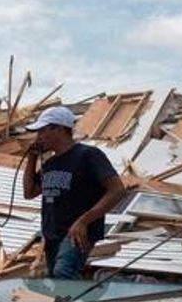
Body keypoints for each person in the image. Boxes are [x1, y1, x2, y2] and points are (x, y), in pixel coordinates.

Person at [23, 106, 125, 279]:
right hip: (52, 233)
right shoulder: (50, 163)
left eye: (43, 131)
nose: (38, 137)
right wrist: (31, 158)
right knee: (56, 280)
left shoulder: (88, 155)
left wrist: (84, 221)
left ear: (60, 129)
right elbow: (29, 192)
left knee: (64, 272)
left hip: (76, 232)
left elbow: (117, 190)